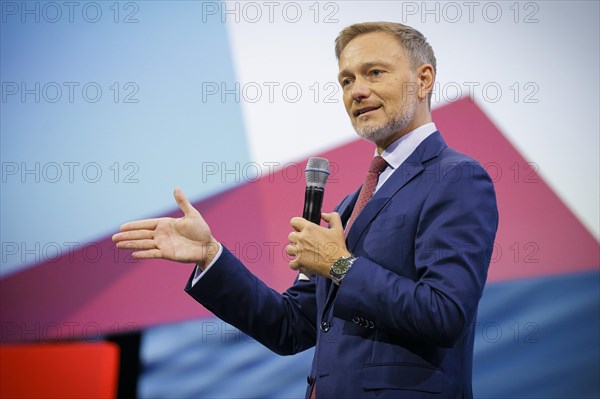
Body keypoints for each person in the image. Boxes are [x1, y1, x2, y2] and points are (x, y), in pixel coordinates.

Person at [113, 22, 498, 399]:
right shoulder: (353, 204)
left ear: (424, 79)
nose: (357, 91)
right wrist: (210, 256)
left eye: (375, 73)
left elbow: (445, 313)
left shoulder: (457, 177)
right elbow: (290, 327)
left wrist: (340, 265)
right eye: (346, 81)